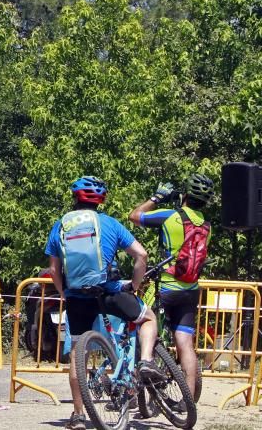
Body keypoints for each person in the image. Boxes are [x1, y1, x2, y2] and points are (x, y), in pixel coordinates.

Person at [45, 176, 161, 430]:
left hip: (77, 297)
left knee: (78, 354)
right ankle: (146, 361)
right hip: (108, 292)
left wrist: (64, 291)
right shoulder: (109, 224)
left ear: (75, 198)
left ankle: (77, 415)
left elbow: (53, 269)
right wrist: (135, 285)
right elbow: (141, 255)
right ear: (101, 200)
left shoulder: (61, 225)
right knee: (148, 317)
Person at [129, 173, 213, 398]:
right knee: (185, 341)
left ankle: (132, 388)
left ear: (185, 195)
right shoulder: (206, 225)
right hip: (190, 290)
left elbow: (135, 216)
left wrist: (157, 197)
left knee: (141, 323)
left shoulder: (171, 216)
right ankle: (189, 400)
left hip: (165, 286)